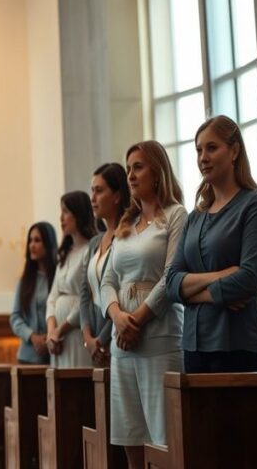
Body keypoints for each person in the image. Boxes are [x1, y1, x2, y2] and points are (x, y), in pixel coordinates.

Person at [100, 140, 187, 468]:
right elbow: (106, 281)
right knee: (130, 437)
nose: (131, 175)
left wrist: (135, 318)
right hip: (122, 344)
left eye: (138, 167)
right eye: (128, 169)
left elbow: (172, 276)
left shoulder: (176, 215)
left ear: (157, 171)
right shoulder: (125, 225)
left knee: (162, 441)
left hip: (159, 339)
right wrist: (117, 316)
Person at [166, 116, 257, 373]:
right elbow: (171, 283)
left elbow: (249, 279)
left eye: (211, 148)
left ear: (234, 150)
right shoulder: (195, 217)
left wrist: (194, 295)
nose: (203, 157)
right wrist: (222, 276)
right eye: (198, 150)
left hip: (235, 346)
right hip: (193, 346)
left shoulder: (254, 205)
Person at [80, 163, 129, 367]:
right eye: (92, 191)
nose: (92, 198)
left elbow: (119, 291)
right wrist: (88, 338)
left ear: (117, 196)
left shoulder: (127, 237)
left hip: (114, 334)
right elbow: (85, 292)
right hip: (93, 342)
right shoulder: (94, 242)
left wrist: (102, 339)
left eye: (99, 191)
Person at [46, 192, 96, 368]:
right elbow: (52, 296)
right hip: (58, 337)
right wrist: (51, 331)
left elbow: (87, 297)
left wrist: (61, 329)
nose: (61, 217)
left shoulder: (91, 249)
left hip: (76, 331)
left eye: (66, 211)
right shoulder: (65, 253)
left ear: (79, 213)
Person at [10, 222, 58, 364]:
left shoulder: (58, 277)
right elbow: (15, 317)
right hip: (27, 356)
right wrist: (33, 337)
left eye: (37, 240)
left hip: (55, 353)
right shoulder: (25, 280)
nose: (32, 245)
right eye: (30, 240)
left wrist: (49, 337)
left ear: (48, 244)